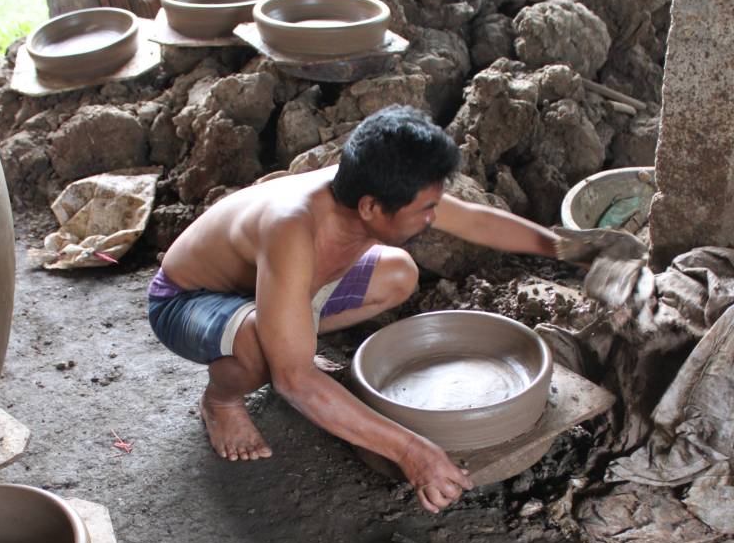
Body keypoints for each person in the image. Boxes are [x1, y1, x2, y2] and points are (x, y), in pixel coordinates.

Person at [148, 105, 563, 513]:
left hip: (268, 289)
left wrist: (570, 248)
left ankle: (286, 337)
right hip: (185, 301)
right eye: (425, 210)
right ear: (370, 208)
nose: (433, 218)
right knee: (271, 357)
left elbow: (475, 222)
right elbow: (293, 381)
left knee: (398, 273)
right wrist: (410, 450)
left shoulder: (379, 186)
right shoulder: (293, 228)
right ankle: (220, 401)